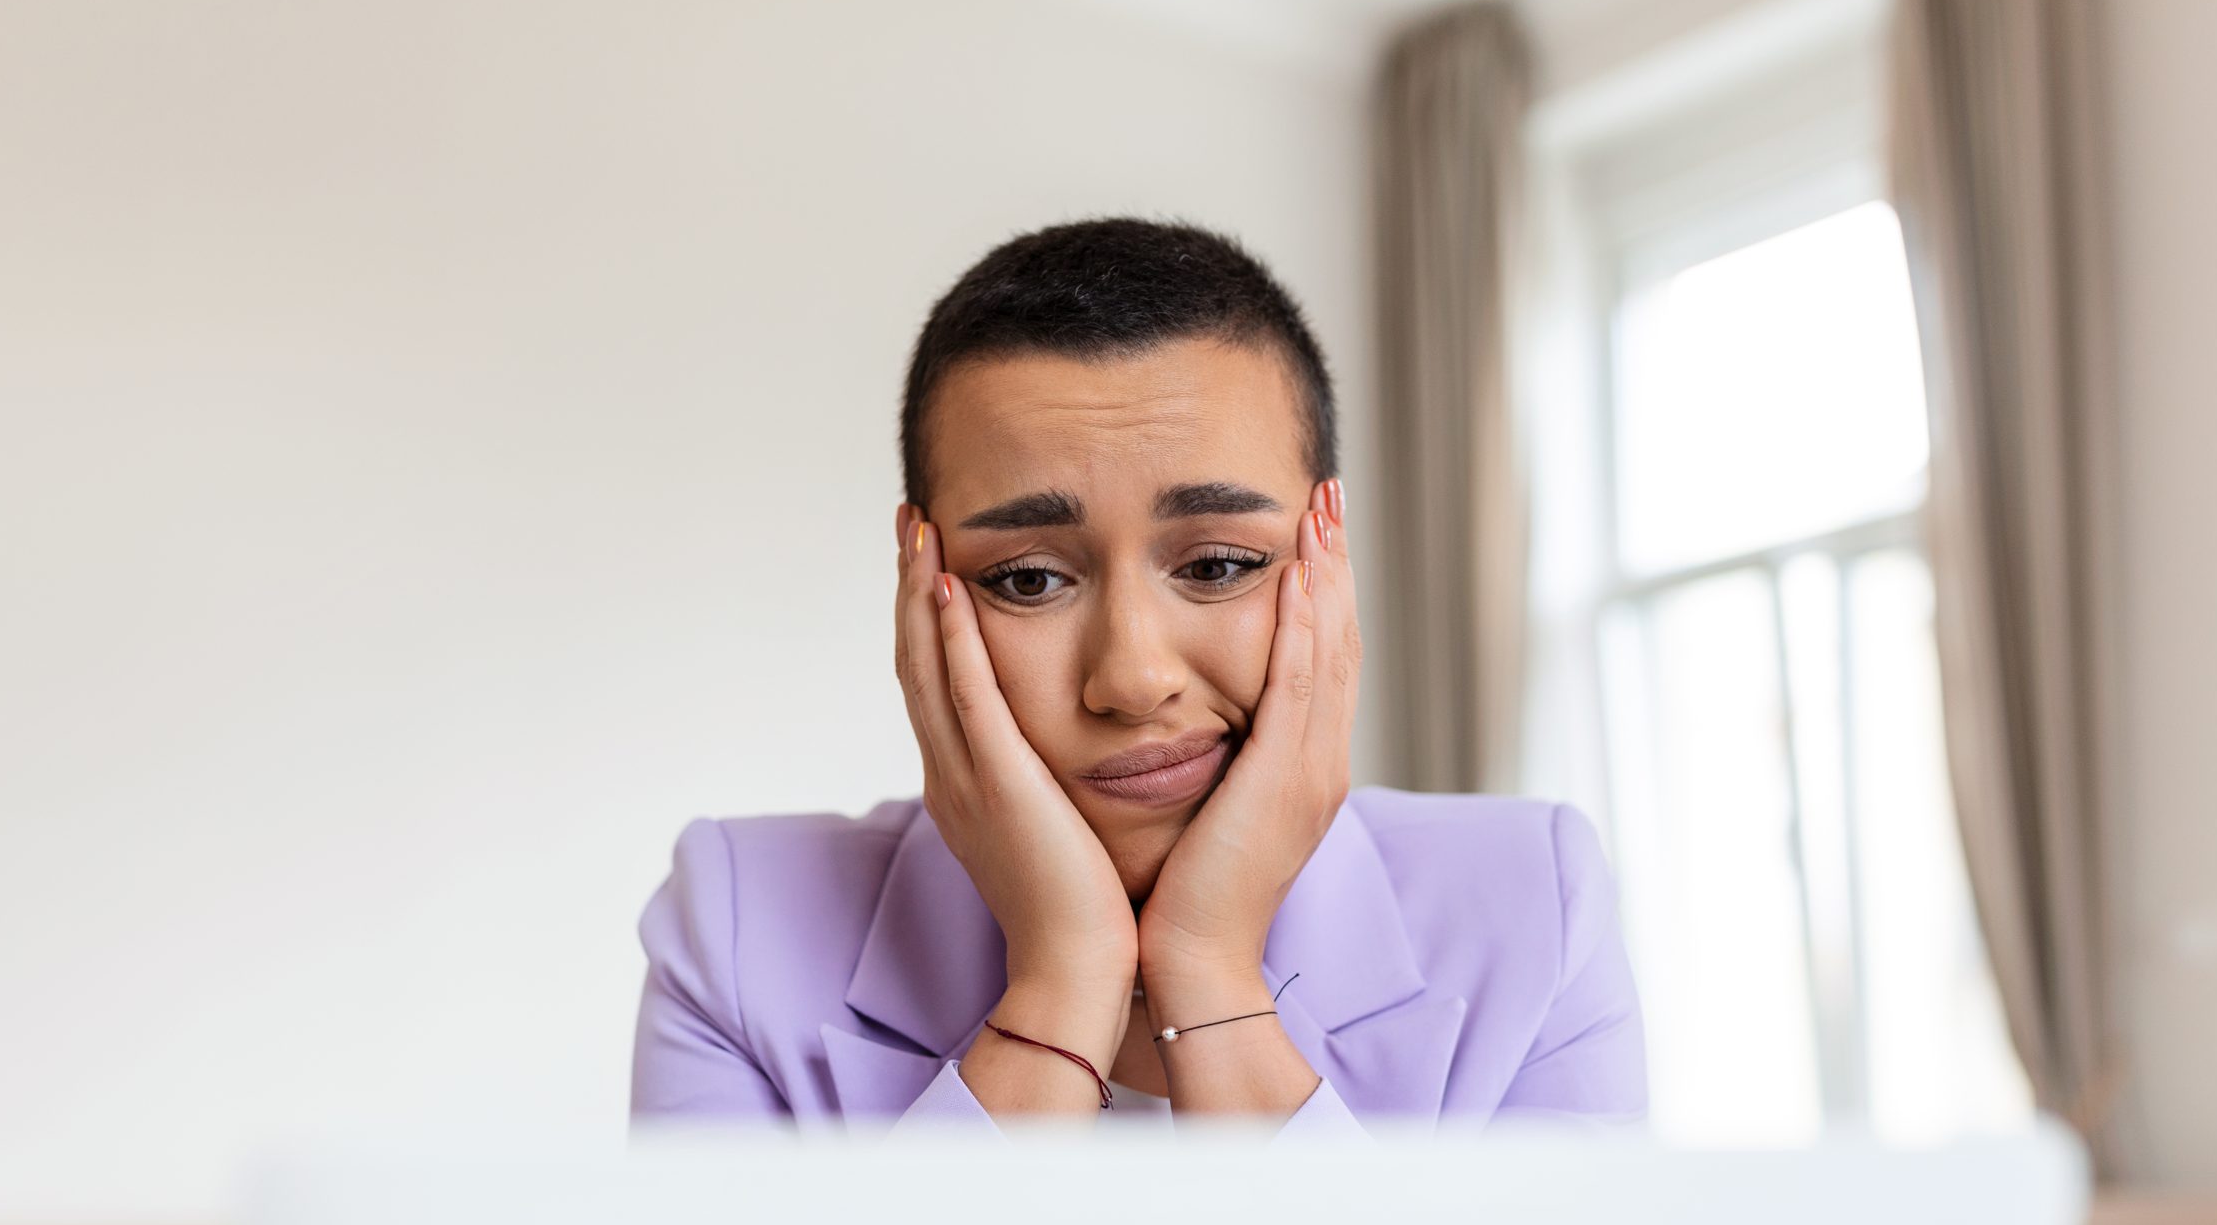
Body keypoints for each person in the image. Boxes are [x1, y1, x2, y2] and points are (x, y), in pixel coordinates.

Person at [631, 218, 1644, 1135]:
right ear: (921, 581)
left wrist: (1208, 976)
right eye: (1026, 579)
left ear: (1327, 567)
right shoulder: (732, 924)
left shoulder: (1532, 907)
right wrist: (1061, 982)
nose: (1131, 676)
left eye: (1215, 565)